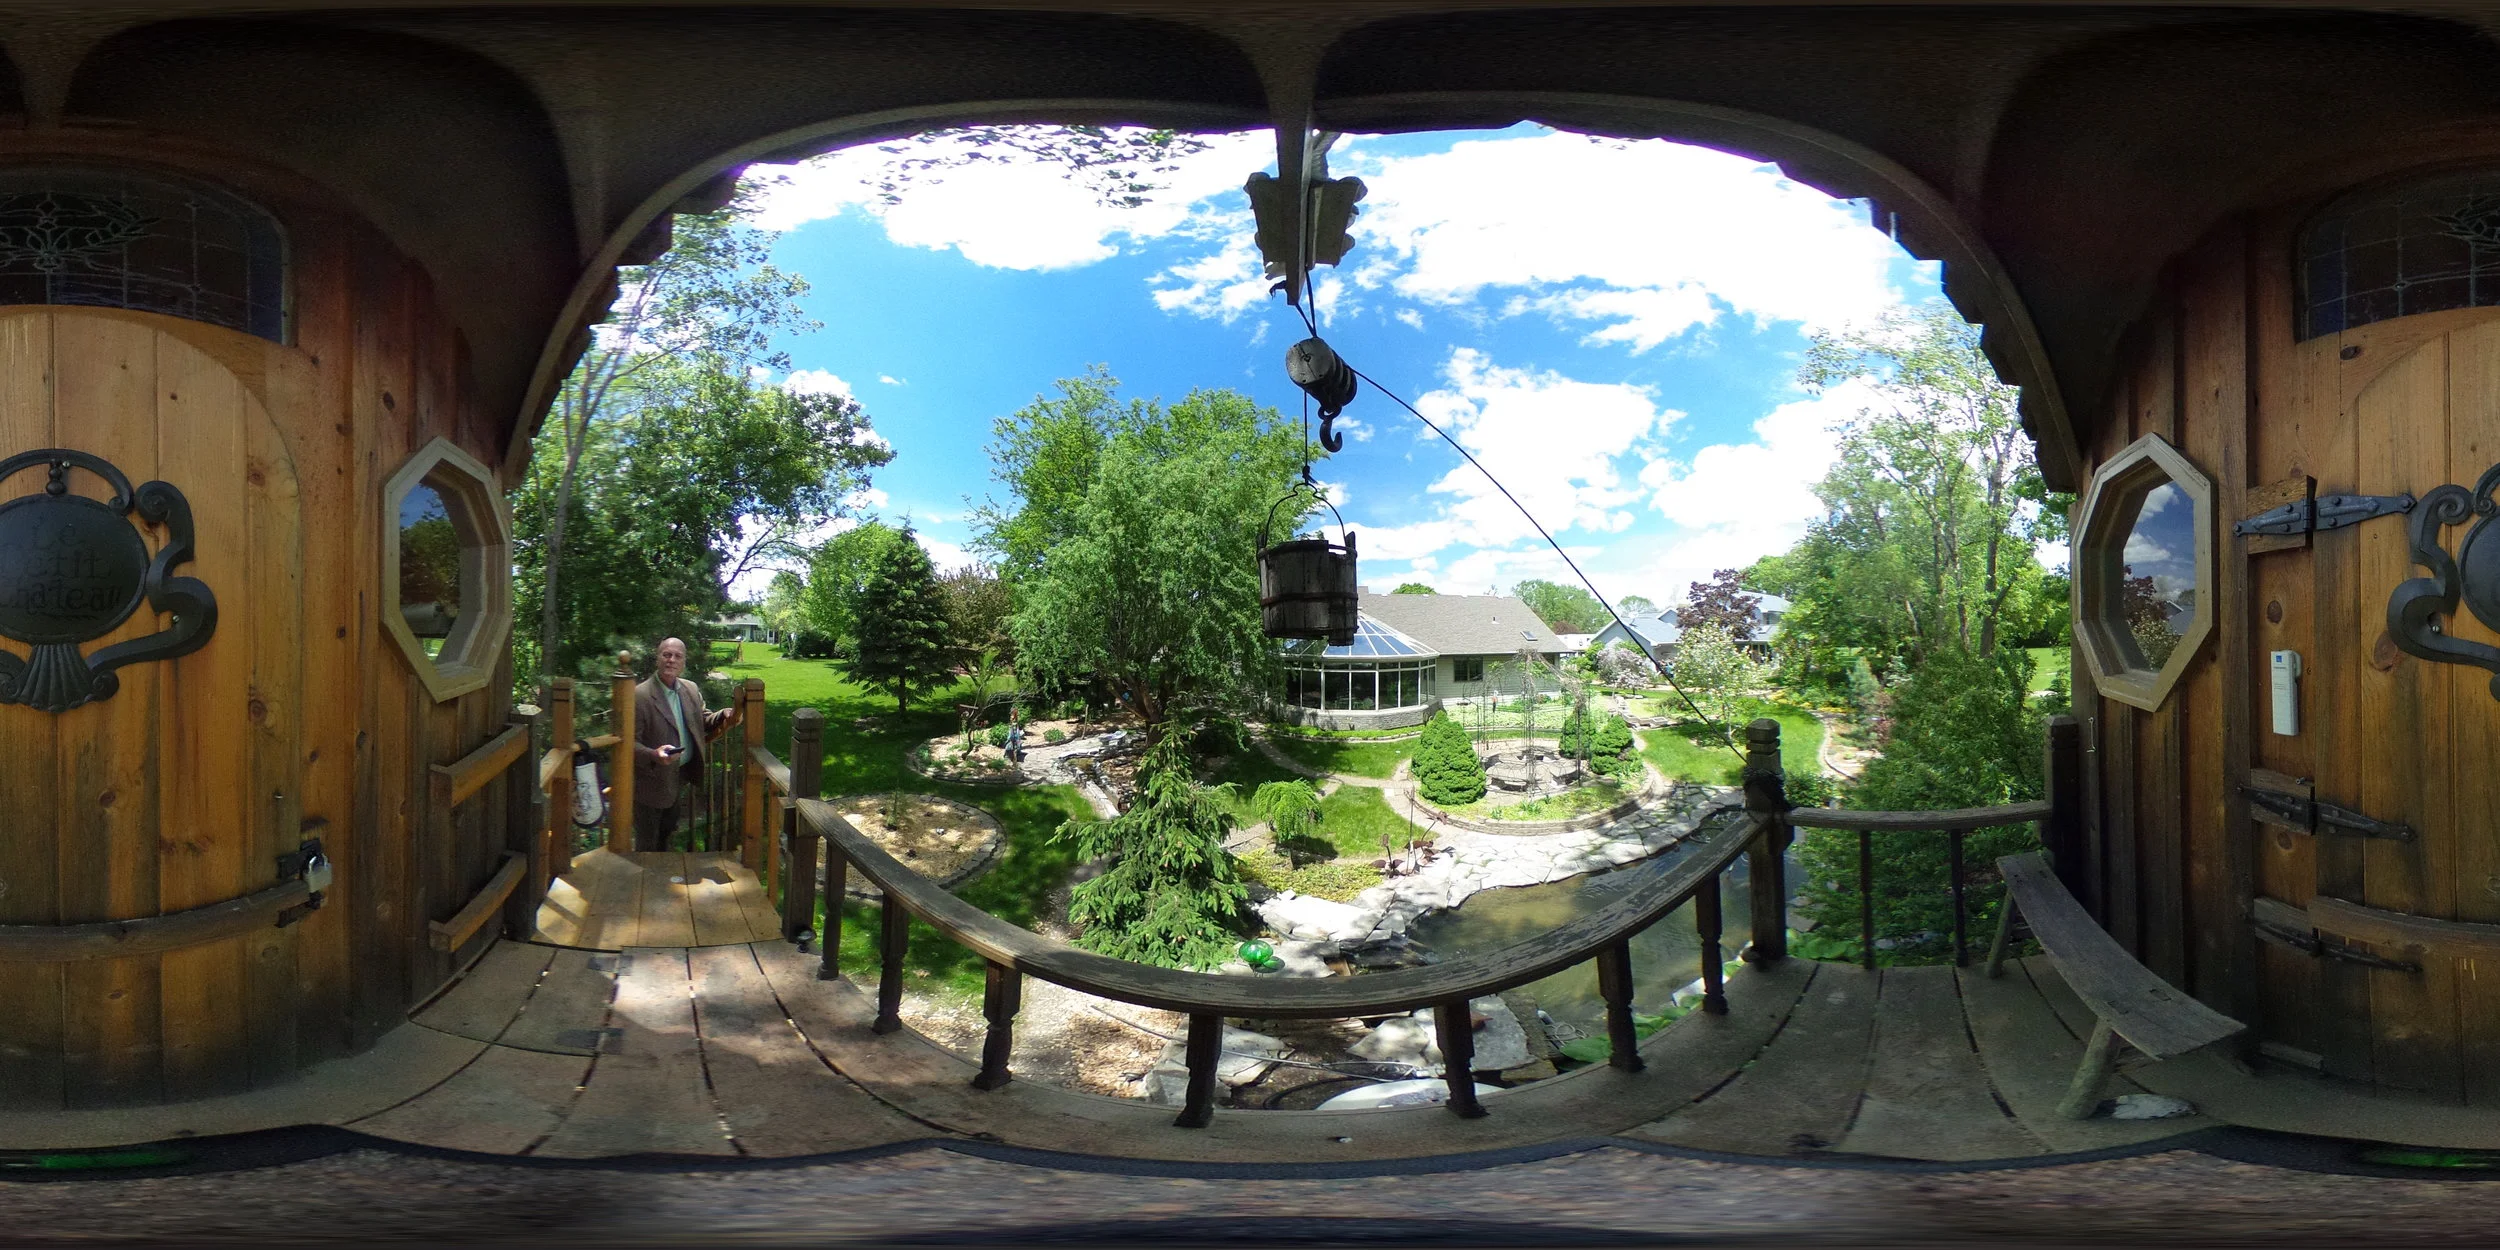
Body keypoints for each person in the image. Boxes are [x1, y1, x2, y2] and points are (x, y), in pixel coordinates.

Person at [631, 637, 738, 852]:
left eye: (677, 656)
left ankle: (662, 880)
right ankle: (647, 883)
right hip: (650, 783)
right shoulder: (639, 695)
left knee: (667, 834)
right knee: (648, 845)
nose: (671, 660)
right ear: (657, 659)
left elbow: (702, 719)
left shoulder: (690, 688)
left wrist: (724, 715)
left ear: (684, 662)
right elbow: (628, 743)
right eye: (666, 654)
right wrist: (653, 754)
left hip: (679, 777)